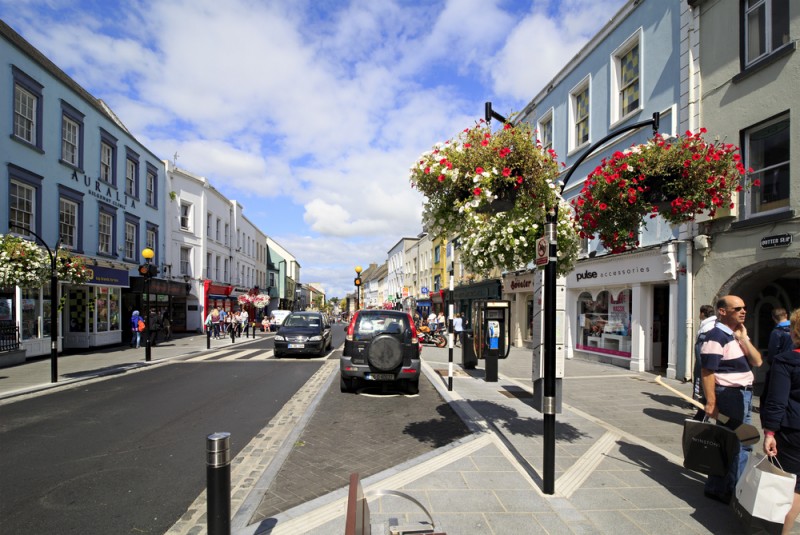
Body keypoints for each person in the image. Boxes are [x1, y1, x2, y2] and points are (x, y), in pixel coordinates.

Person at [699, 295, 762, 504]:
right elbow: (707, 371)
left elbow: (758, 361)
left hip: (743, 393)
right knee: (740, 443)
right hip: (730, 395)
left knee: (731, 442)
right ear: (722, 312)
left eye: (744, 308)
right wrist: (711, 402)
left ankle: (719, 487)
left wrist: (744, 338)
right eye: (737, 309)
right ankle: (735, 491)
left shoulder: (737, 334)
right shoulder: (716, 336)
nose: (743, 311)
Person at [761, 308, 800, 534]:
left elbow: (776, 400)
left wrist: (769, 433)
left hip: (793, 430)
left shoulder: (786, 361)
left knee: (788, 484)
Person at [694, 304, 717, 402]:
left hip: (704, 360)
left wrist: (700, 365)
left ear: (702, 313)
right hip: (712, 360)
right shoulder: (715, 324)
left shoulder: (706, 327)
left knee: (700, 379)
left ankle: (696, 403)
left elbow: (700, 348)